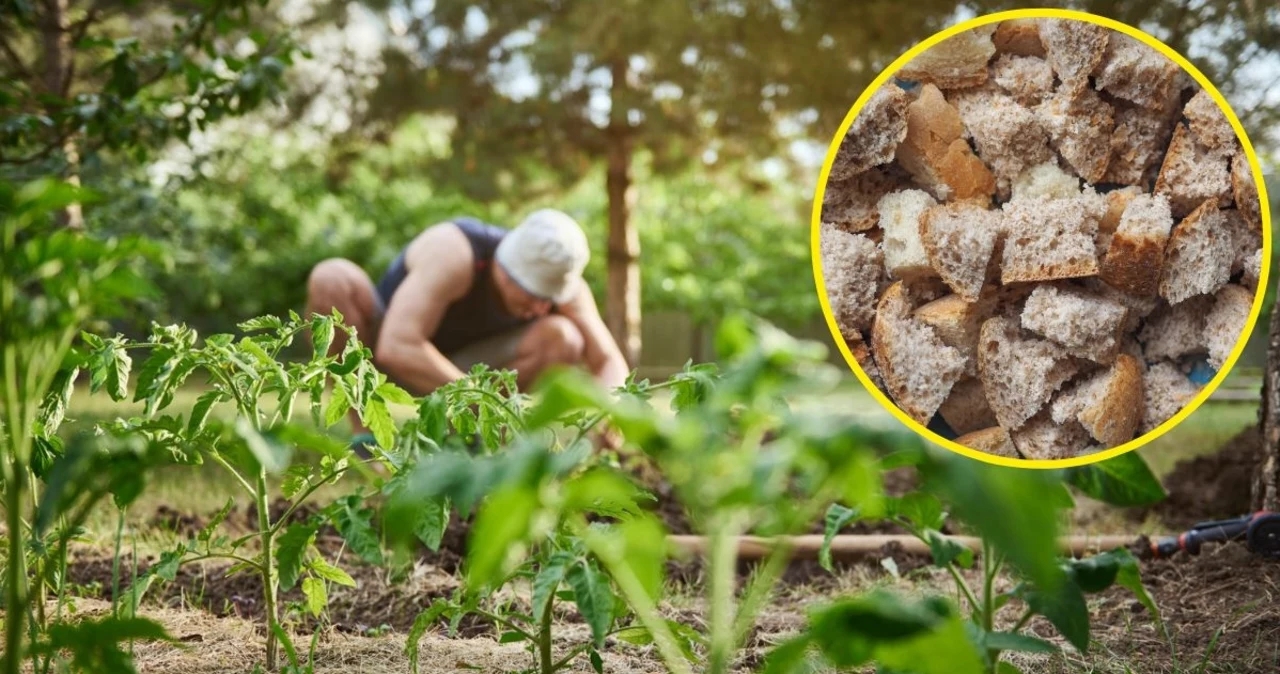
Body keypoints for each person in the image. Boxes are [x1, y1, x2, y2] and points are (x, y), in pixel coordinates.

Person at [305, 209, 630, 443]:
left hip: (464, 370)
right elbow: (397, 347)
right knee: (331, 277)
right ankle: (368, 441)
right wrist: (486, 401)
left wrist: (606, 412)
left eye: (550, 298)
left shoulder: (559, 284)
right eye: (533, 295)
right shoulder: (454, 251)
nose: (541, 308)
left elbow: (610, 361)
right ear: (505, 270)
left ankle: (468, 439)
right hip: (383, 356)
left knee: (563, 337)